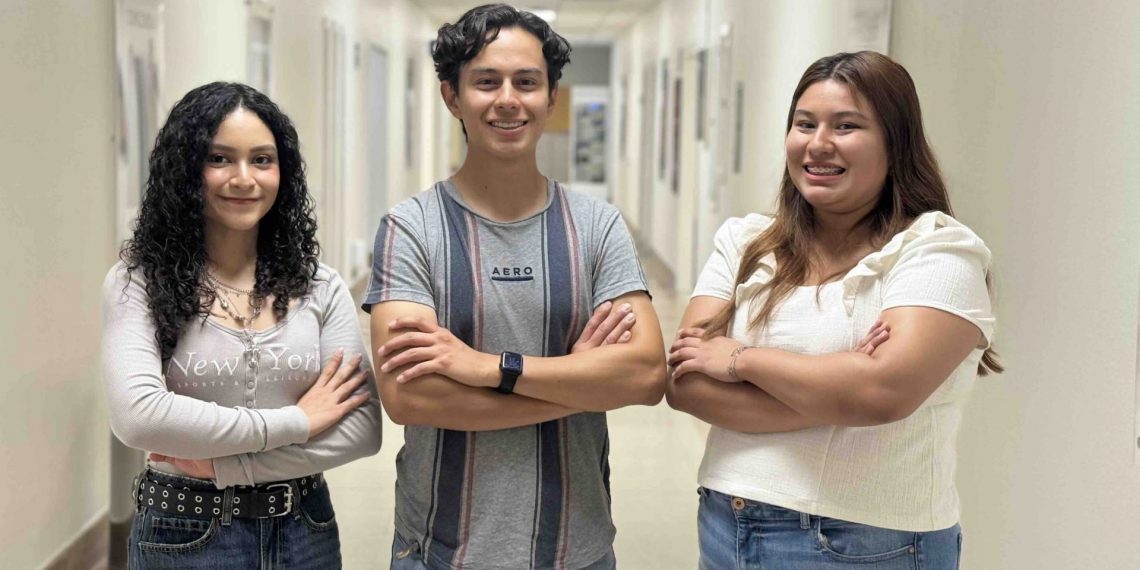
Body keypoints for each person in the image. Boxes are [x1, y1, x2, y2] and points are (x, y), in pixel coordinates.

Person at [667, 51, 1002, 569]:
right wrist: (842, 389)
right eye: (805, 124)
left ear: (895, 142)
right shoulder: (745, 242)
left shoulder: (938, 252)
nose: (818, 144)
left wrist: (740, 361)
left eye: (846, 126)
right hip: (727, 523)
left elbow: (882, 393)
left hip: (867, 542)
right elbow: (685, 384)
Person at [362, 4, 667, 569]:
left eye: (526, 82)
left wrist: (488, 368)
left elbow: (647, 375)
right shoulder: (411, 228)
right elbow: (410, 397)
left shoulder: (597, 226)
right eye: (486, 82)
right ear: (452, 97)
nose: (508, 99)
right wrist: (581, 382)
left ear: (551, 98)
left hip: (576, 548)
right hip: (440, 550)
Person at [103, 81, 382, 569]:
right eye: (219, 159)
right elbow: (139, 416)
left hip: (305, 531)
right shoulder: (140, 282)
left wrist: (229, 465)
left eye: (261, 160)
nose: (243, 178)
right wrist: (299, 422)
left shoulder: (319, 285)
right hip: (183, 532)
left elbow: (361, 428)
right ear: (185, 169)